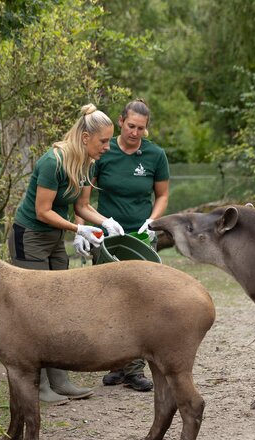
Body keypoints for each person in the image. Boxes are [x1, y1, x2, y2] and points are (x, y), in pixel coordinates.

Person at [8, 103, 125, 404]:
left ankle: (60, 381)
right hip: (30, 236)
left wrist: (103, 222)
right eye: (103, 141)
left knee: (59, 305)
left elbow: (82, 207)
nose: (107, 147)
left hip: (53, 237)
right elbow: (42, 210)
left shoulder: (87, 163)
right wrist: (77, 231)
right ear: (86, 137)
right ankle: (37, 385)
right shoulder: (53, 162)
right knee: (34, 312)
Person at [74, 98, 170, 392]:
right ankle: (115, 364)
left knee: (141, 302)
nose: (135, 133)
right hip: (107, 237)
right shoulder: (103, 150)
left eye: (141, 128)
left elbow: (163, 195)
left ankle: (135, 369)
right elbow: (83, 201)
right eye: (131, 126)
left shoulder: (155, 155)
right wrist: (88, 226)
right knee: (106, 300)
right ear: (120, 122)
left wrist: (152, 221)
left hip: (139, 238)